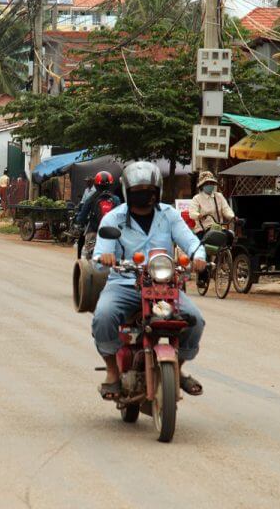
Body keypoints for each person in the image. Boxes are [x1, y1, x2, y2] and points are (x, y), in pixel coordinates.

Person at [92, 161, 208, 401]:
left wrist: (199, 256)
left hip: (164, 286)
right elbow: (98, 254)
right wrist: (105, 256)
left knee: (195, 320)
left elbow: (191, 241)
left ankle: (178, 366)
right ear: (127, 192)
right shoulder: (113, 218)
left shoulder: (169, 215)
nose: (144, 194)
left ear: (157, 191)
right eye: (138, 190)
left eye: (149, 189)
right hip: (124, 284)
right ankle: (112, 372)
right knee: (103, 316)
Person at [188, 171, 235, 288]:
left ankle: (223, 260)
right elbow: (191, 213)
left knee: (230, 235)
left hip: (217, 227)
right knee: (203, 251)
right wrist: (198, 215)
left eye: (212, 183)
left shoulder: (219, 196)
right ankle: (202, 278)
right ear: (202, 185)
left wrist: (233, 217)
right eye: (207, 183)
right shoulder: (197, 198)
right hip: (202, 229)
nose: (210, 185)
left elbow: (226, 209)